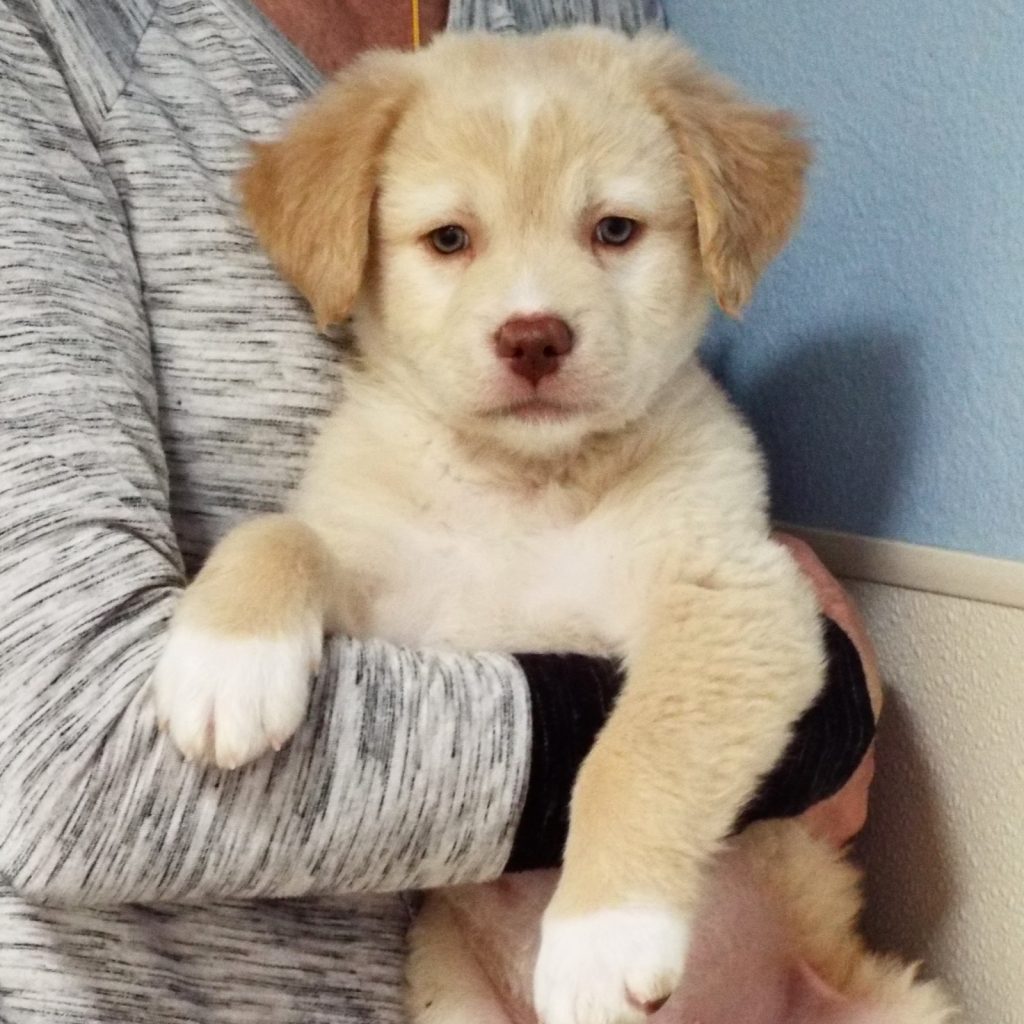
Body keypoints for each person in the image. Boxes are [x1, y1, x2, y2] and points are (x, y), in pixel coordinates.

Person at [0, 0, 878, 1020]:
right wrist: (263, 581)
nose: (533, 316)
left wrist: (632, 851)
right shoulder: (55, 45)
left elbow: (748, 641)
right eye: (450, 238)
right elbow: (70, 761)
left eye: (613, 230)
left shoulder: (588, 36)